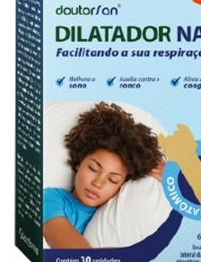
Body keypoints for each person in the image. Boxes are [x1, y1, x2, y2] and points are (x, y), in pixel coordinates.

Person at [43, 102, 165, 249]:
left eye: (113, 180)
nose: (98, 183)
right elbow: (81, 256)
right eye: (93, 168)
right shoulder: (51, 199)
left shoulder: (122, 211)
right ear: (79, 163)